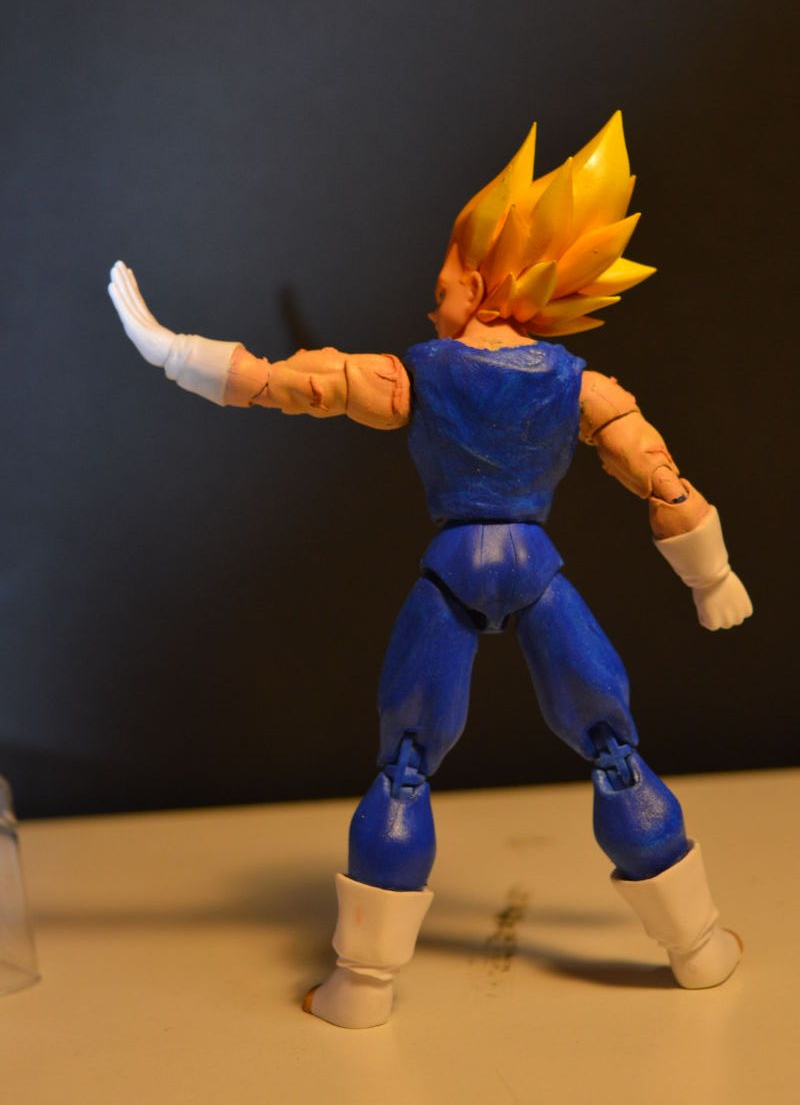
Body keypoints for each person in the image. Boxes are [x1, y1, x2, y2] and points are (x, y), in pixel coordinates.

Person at [109, 112, 752, 1029]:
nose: (431, 301)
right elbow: (661, 476)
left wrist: (173, 352)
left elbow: (293, 383)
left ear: (482, 283)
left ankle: (363, 986)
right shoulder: (579, 384)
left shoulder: (415, 375)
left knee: (406, 766)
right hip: (536, 570)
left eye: (443, 281)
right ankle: (698, 948)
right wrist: (710, 575)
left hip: (452, 571)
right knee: (614, 750)